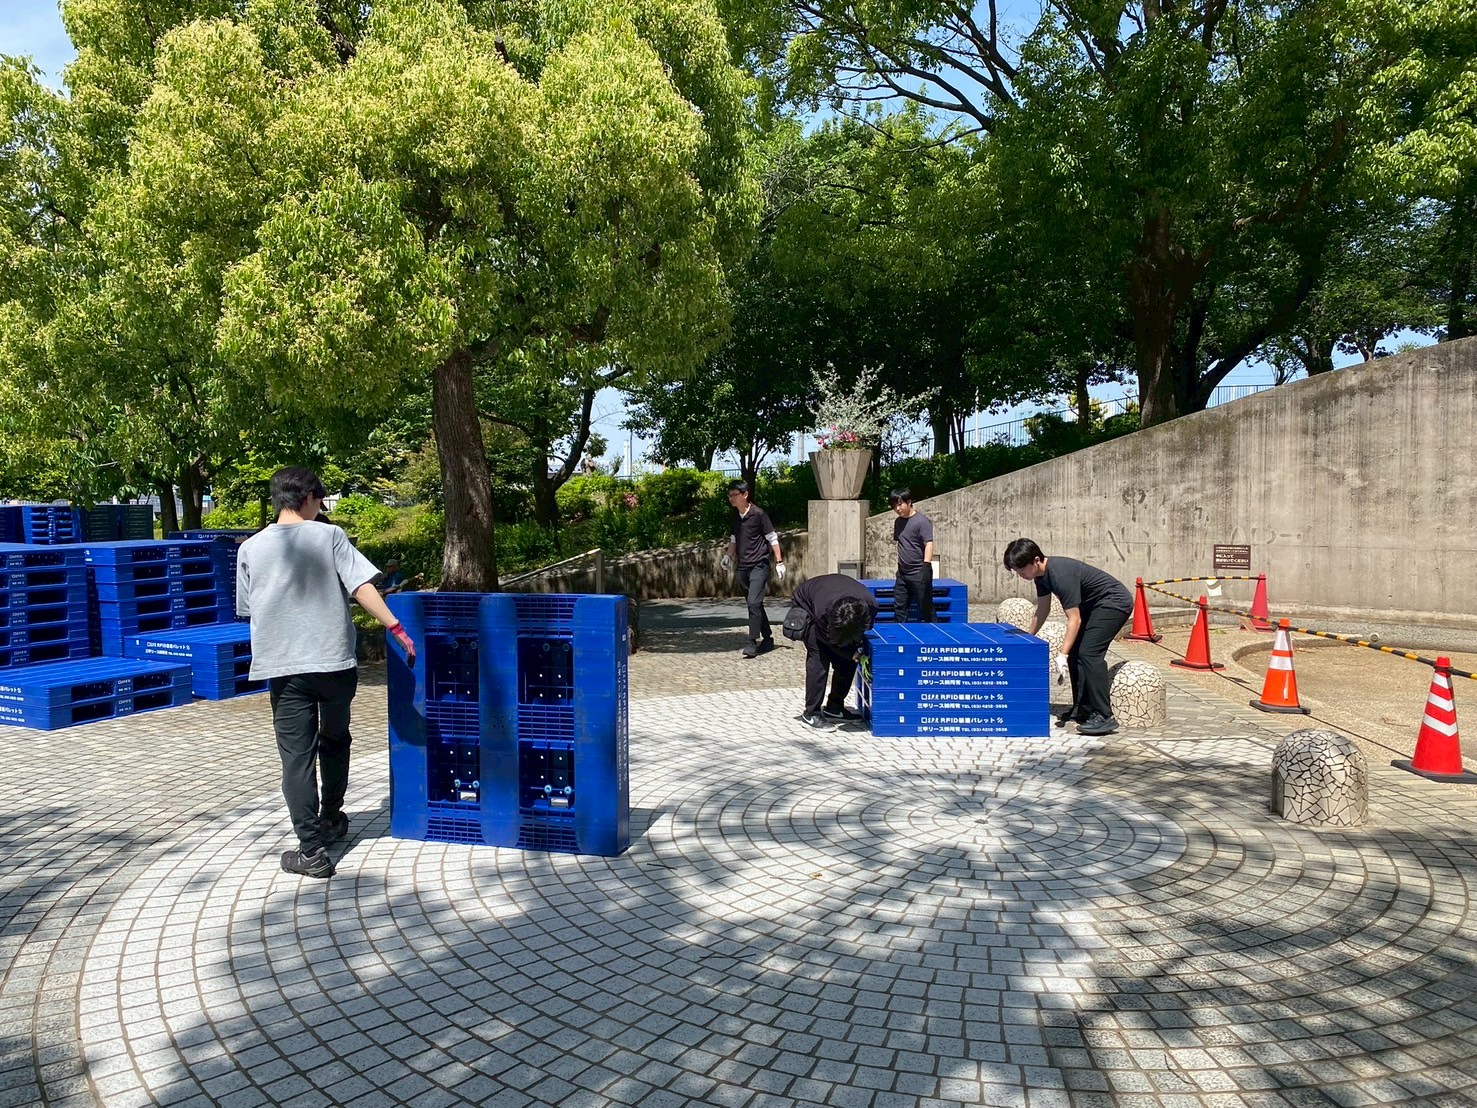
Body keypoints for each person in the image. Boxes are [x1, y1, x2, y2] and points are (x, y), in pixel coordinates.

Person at [237, 467, 417, 879]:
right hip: (334, 663)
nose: (320, 507)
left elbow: (248, 608)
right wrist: (395, 628)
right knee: (335, 740)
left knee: (297, 759)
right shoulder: (331, 536)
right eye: (319, 499)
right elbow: (361, 587)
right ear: (307, 497)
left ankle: (311, 849)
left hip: (284, 667)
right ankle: (332, 817)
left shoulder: (250, 548)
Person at [1002, 538, 1132, 736]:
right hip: (1094, 606)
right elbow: (1043, 609)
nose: (1021, 575)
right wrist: (1028, 637)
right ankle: (1083, 708)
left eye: (1022, 570)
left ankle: (1104, 716)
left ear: (1036, 560)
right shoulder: (1041, 577)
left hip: (1114, 602)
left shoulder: (1060, 574)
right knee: (1076, 654)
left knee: (1089, 653)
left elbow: (1074, 619)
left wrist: (1062, 654)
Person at [789, 573, 879, 728]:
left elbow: (862, 631)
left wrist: (852, 652)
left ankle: (834, 708)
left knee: (848, 661)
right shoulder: (823, 610)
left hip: (836, 592)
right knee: (819, 658)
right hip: (807, 603)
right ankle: (811, 713)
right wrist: (852, 653)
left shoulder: (871, 606)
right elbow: (825, 639)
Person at [720, 479, 786, 657]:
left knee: (753, 603)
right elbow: (734, 539)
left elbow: (772, 538)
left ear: (745, 495)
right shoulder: (735, 516)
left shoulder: (759, 514)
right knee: (755, 604)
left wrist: (779, 562)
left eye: (734, 495)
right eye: (729, 495)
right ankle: (768, 638)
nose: (731, 498)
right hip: (742, 567)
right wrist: (728, 556)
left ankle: (751, 642)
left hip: (759, 565)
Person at [889, 488, 935, 623]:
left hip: (919, 572)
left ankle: (933, 631)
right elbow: (902, 543)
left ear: (909, 502)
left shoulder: (921, 521)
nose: (897, 509)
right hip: (902, 573)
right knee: (899, 608)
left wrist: (926, 565)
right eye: (894, 506)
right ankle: (900, 632)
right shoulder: (898, 522)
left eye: (900, 504)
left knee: (925, 607)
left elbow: (929, 544)